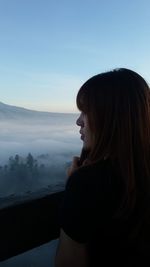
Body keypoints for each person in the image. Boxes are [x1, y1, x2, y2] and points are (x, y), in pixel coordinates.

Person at [54, 68, 150, 267]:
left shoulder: (88, 183)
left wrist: (75, 185)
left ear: (111, 118)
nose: (78, 121)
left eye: (86, 112)